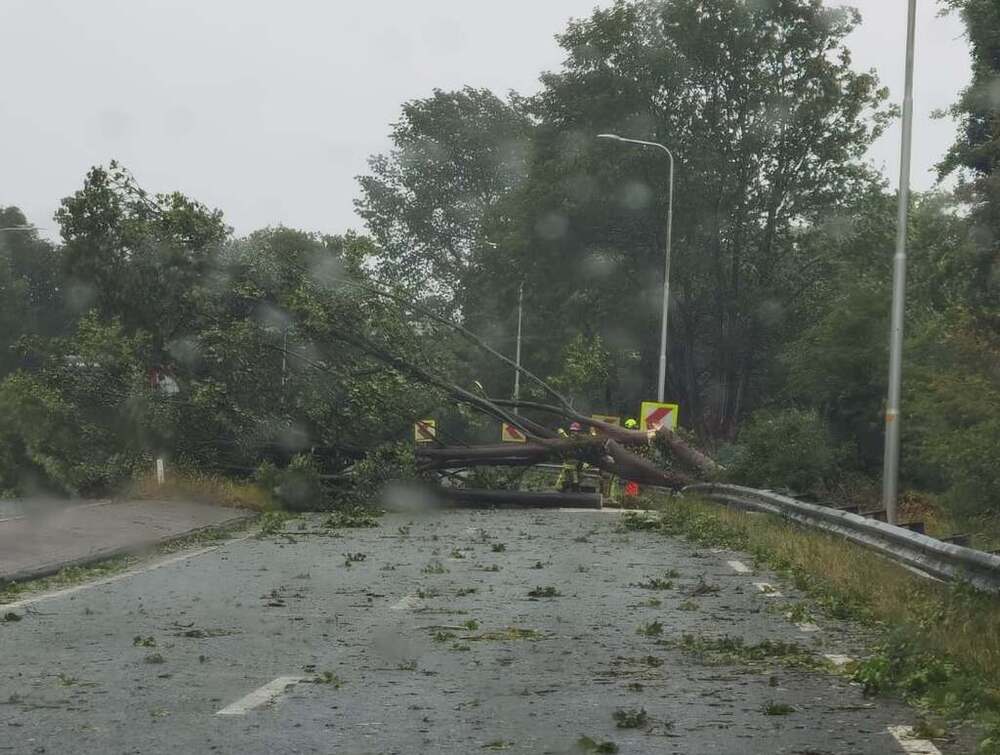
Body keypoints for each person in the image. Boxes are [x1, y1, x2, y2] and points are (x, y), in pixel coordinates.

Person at [556, 422, 584, 491]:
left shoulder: (582, 441)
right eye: (572, 431)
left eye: (576, 431)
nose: (574, 432)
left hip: (577, 466)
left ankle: (575, 488)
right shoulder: (567, 440)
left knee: (575, 481)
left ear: (579, 432)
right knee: (563, 482)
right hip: (567, 465)